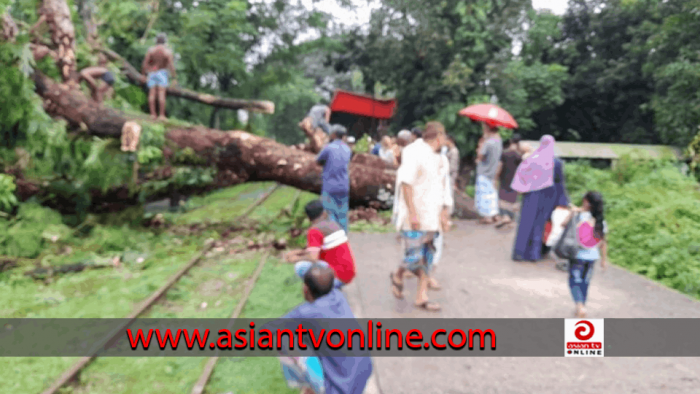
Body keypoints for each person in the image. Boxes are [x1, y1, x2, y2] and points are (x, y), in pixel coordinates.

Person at [278, 263, 373, 394]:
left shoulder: (307, 312)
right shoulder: (338, 296)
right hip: (363, 371)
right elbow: (323, 270)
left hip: (340, 389)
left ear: (305, 289)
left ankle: (307, 388)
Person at [389, 121, 453, 312]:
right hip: (415, 217)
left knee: (428, 258)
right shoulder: (414, 152)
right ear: (439, 137)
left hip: (432, 216)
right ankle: (398, 274)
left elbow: (443, 188)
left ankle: (421, 296)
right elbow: (406, 183)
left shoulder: (441, 160)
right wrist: (413, 213)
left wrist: (444, 214)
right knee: (413, 258)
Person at [511, 135, 569, 262]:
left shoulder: (532, 159)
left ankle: (519, 253)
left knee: (525, 223)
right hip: (548, 197)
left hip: (531, 196)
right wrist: (564, 201)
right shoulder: (556, 162)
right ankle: (534, 254)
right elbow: (560, 182)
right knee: (540, 224)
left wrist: (521, 191)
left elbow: (523, 176)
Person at [284, 200, 356, 288]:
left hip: (337, 277)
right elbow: (315, 250)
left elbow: (313, 257)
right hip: (348, 273)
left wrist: (296, 258)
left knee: (300, 266)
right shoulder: (333, 225)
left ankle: (320, 291)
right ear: (324, 213)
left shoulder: (314, 231)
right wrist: (298, 253)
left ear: (309, 218)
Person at [562, 191, 609, 318]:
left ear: (586, 202)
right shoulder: (600, 220)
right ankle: (582, 306)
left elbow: (563, 225)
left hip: (577, 254)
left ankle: (580, 306)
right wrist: (604, 260)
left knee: (574, 280)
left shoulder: (579, 216)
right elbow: (603, 242)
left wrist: (572, 213)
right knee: (585, 282)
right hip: (593, 256)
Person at [316, 125, 352, 233]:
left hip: (330, 185)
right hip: (344, 185)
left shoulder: (328, 148)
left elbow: (318, 161)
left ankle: (333, 237)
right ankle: (343, 237)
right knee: (342, 214)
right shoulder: (347, 149)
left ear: (333, 134)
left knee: (330, 213)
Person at [142, 33, 176, 120]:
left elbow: (145, 63)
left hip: (152, 72)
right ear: (165, 41)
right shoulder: (167, 51)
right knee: (161, 94)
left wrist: (143, 74)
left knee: (152, 94)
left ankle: (152, 114)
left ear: (156, 41)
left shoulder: (151, 50)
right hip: (162, 73)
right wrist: (174, 77)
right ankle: (161, 115)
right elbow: (171, 65)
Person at [474, 122, 502, 224]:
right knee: (492, 193)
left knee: (484, 194)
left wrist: (481, 144)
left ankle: (487, 217)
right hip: (493, 171)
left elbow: (480, 156)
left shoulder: (488, 142)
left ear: (487, 128)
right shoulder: (499, 141)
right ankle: (494, 214)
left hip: (484, 171)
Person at [494, 134, 523, 228]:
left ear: (510, 141)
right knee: (512, 200)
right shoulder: (519, 156)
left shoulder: (504, 153)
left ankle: (505, 216)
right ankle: (510, 219)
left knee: (502, 199)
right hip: (515, 180)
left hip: (504, 179)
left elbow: (500, 166)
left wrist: (495, 177)